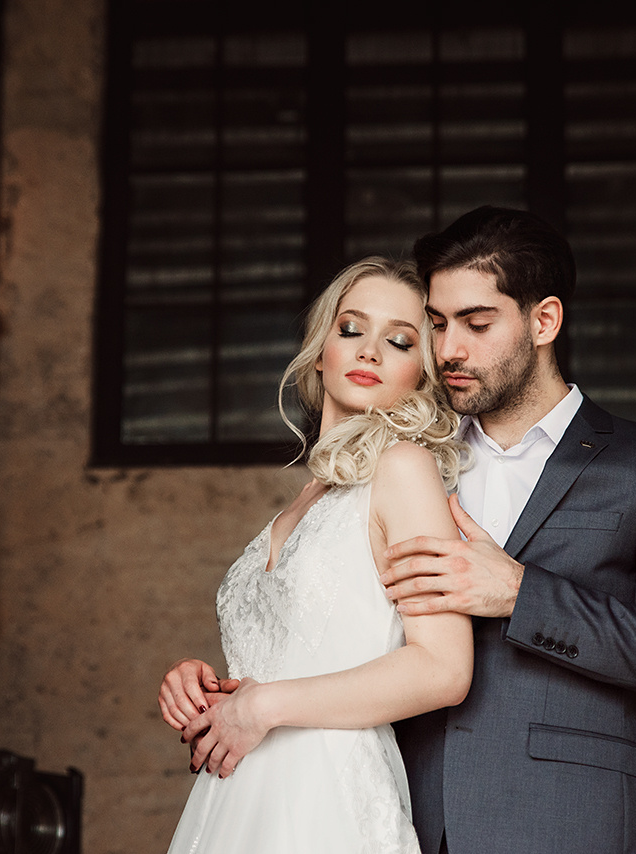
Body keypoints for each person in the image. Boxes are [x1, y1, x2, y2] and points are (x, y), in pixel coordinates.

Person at [379, 206, 636, 854]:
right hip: (409, 819)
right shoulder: (409, 461)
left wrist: (524, 593)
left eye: (476, 322)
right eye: (436, 323)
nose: (447, 350)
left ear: (544, 320)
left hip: (579, 823)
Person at [158, 258, 474, 854]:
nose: (370, 351)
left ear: (422, 375)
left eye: (400, 340)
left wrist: (265, 705)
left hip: (328, 796)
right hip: (237, 793)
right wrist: (208, 689)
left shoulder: (402, 469)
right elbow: (294, 654)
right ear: (321, 347)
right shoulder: (298, 505)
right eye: (351, 329)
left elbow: (444, 668)